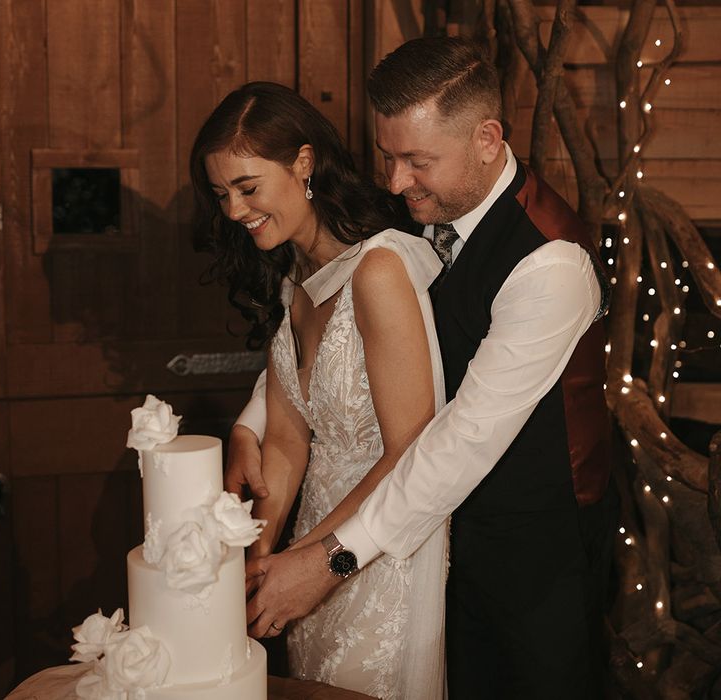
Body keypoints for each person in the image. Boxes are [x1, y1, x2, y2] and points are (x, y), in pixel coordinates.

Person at [237, 38, 618, 699]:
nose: (394, 181)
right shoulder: (417, 205)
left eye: (416, 161)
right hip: (425, 553)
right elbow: (330, 319)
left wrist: (332, 560)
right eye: (388, 156)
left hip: (531, 560)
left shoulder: (552, 264)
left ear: (488, 139)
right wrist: (253, 417)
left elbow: (463, 440)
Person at [190, 81, 449, 700]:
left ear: (302, 163)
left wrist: (310, 559)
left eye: (247, 188)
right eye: (221, 194)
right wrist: (257, 560)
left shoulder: (380, 269)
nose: (232, 211)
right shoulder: (294, 280)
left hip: (383, 550)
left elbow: (408, 449)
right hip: (311, 552)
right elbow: (284, 438)